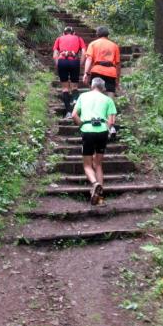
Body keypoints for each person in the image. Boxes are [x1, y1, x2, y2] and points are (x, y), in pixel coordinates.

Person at [72, 77, 117, 205]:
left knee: (87, 165)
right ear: (103, 88)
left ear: (91, 86)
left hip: (87, 130)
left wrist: (81, 125)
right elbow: (111, 121)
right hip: (102, 131)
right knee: (98, 164)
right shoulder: (108, 99)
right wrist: (105, 130)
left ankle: (95, 183)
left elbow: (74, 115)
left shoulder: (83, 96)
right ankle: (100, 198)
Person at [53, 25, 86, 117]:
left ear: (63, 33)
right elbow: (84, 52)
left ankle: (68, 112)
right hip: (74, 61)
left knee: (65, 88)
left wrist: (58, 64)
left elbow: (55, 54)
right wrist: (81, 63)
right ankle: (75, 108)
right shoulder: (79, 38)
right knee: (74, 87)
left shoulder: (59, 38)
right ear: (73, 33)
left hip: (62, 61)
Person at [82, 26, 121, 96]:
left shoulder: (93, 44)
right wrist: (117, 79)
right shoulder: (114, 46)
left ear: (97, 34)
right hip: (111, 72)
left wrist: (86, 73)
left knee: (96, 93)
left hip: (97, 71)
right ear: (108, 34)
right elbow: (118, 64)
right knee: (110, 93)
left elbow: (89, 59)